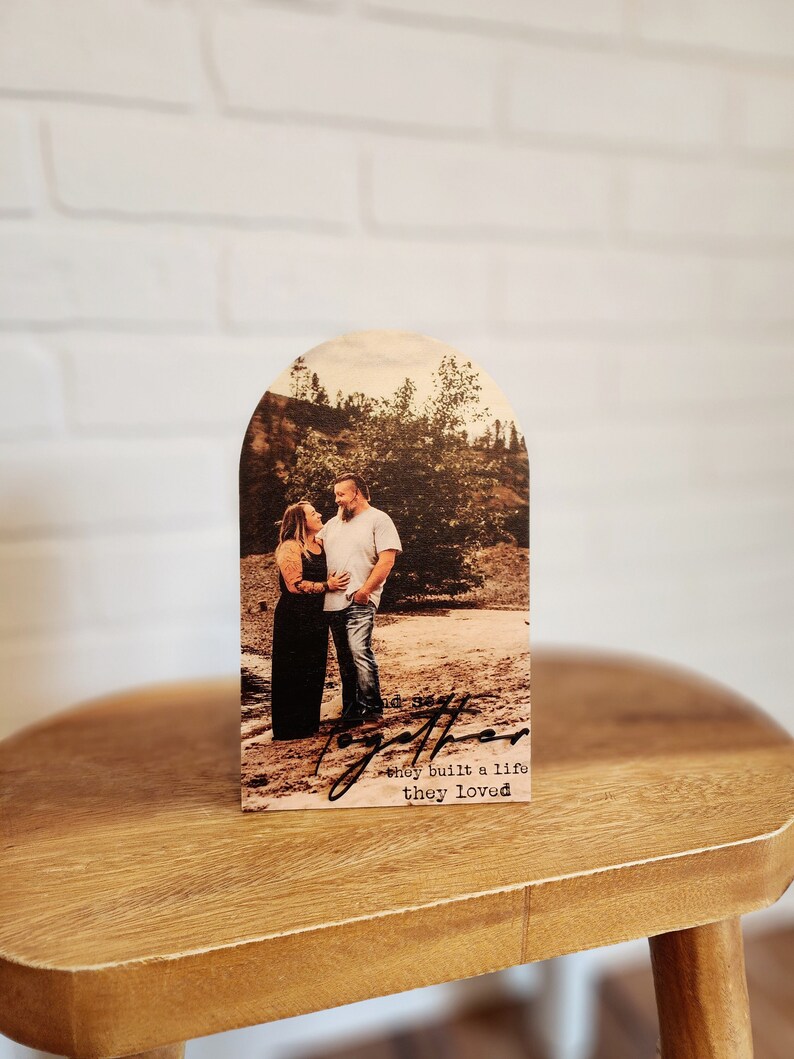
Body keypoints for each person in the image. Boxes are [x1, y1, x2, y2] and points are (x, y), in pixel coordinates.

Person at [317, 473, 402, 725]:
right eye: (335, 495)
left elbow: (387, 559)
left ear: (357, 493)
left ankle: (373, 709)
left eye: (341, 494)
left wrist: (366, 590)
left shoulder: (379, 519)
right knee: (344, 658)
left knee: (359, 651)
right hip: (332, 601)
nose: (337, 500)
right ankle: (351, 710)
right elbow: (310, 546)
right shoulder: (333, 524)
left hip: (360, 599)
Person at [271, 502, 349, 740]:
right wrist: (328, 586)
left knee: (313, 668)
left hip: (316, 615)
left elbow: (340, 524)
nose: (319, 515)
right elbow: (294, 586)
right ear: (301, 521)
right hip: (293, 616)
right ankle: (289, 729)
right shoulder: (290, 547)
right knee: (292, 669)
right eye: (313, 513)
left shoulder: (319, 544)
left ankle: (308, 724)